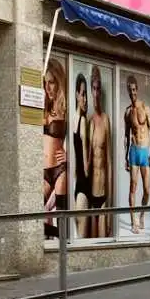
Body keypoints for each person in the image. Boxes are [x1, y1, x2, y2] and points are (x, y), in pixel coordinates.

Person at [124, 75, 150, 234]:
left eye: (134, 89)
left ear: (138, 90)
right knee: (133, 188)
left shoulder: (146, 108)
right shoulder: (128, 112)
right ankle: (133, 221)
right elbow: (126, 136)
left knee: (147, 190)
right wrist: (125, 158)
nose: (132, 93)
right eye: (130, 90)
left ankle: (141, 216)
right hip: (134, 151)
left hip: (145, 151)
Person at [43, 58, 68, 240]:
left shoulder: (65, 109)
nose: (48, 88)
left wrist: (69, 154)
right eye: (45, 83)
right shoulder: (43, 107)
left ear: (58, 82)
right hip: (43, 170)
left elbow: (78, 138)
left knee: (62, 216)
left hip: (60, 170)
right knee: (34, 216)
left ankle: (63, 250)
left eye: (51, 82)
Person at [89, 67, 112, 237]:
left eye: (98, 89)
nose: (96, 93)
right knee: (90, 239)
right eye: (93, 89)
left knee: (103, 237)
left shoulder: (105, 120)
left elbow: (109, 160)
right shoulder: (88, 121)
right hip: (90, 189)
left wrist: (111, 197)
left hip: (103, 187)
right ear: (91, 91)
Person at [73, 73, 91, 238]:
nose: (85, 99)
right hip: (83, 186)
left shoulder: (72, 120)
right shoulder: (83, 122)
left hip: (73, 186)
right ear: (77, 94)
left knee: (74, 236)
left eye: (86, 95)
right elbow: (85, 166)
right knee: (81, 238)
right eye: (83, 94)